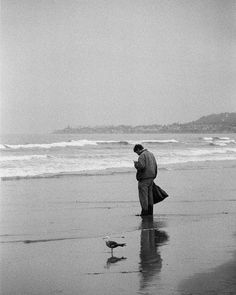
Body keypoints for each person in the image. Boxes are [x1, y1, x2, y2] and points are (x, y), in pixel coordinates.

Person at [133, 144, 157, 216]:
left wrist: (136, 164)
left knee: (143, 196)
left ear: (138, 149)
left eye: (136, 152)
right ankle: (150, 212)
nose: (137, 154)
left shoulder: (142, 156)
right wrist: (154, 176)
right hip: (151, 177)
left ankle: (144, 212)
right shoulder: (151, 154)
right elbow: (155, 165)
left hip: (144, 178)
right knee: (150, 196)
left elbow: (141, 166)